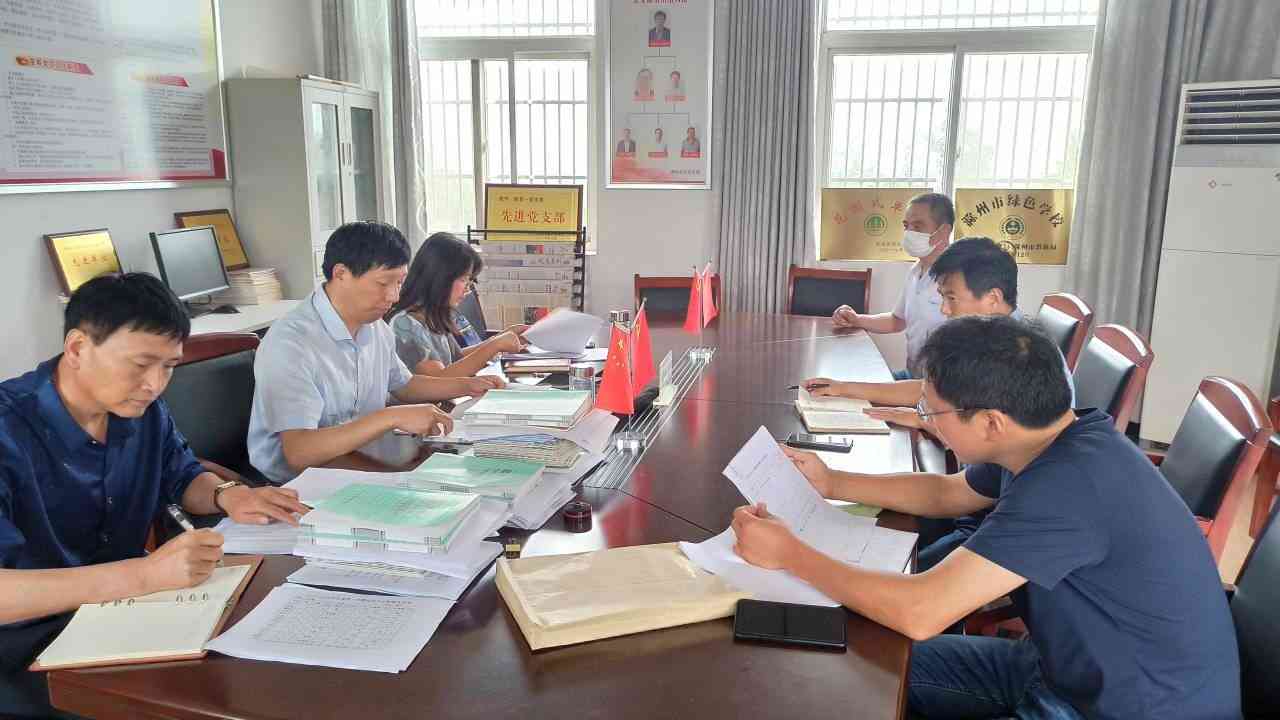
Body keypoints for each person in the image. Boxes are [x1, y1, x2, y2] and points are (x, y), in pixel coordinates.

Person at [733, 316, 1241, 719]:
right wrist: (835, 483)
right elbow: (949, 493)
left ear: (991, 423)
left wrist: (790, 554)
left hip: (1123, 706)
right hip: (1063, 667)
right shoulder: (1050, 439)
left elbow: (922, 612)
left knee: (866, 667)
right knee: (856, 663)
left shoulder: (1070, 486)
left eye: (932, 412)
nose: (925, 421)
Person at [0, 273, 307, 717]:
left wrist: (228, 495)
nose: (155, 384)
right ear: (78, 348)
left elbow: (182, 476)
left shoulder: (141, 411)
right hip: (25, 650)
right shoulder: (8, 429)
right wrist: (143, 576)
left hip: (125, 619)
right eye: (141, 364)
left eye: (168, 366)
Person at [807, 236, 1076, 569]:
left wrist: (931, 420)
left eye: (951, 298)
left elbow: (960, 498)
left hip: (994, 521)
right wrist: (851, 394)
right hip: (973, 494)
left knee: (883, 557)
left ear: (993, 298)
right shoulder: (999, 341)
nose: (945, 310)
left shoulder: (1019, 361)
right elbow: (952, 486)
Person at [248, 222, 502, 485]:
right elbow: (299, 453)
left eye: (399, 282)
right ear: (341, 274)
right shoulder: (291, 343)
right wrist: (390, 417)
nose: (394, 296)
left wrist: (468, 385)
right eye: (383, 283)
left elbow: (404, 385)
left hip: (362, 458)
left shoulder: (375, 327)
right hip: (299, 483)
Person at [831, 192, 952, 379]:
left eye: (917, 226)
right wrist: (856, 319)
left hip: (940, 385)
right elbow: (897, 321)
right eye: (906, 226)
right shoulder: (915, 271)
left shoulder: (957, 278)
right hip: (913, 375)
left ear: (943, 231)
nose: (909, 233)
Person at [387, 232, 527, 378]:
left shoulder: (433, 315)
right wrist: (495, 345)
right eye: (464, 280)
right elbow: (440, 380)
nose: (468, 289)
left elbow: (457, 359)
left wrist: (501, 338)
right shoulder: (404, 323)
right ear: (440, 277)